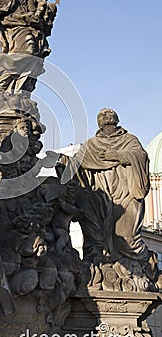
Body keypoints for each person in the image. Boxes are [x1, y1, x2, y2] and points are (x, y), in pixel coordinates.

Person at [57, 108, 151, 264]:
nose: (108, 123)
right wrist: (61, 160)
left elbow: (140, 156)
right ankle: (100, 271)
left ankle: (138, 269)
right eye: (104, 120)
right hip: (101, 198)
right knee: (96, 238)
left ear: (116, 121)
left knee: (127, 238)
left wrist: (117, 155)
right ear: (99, 124)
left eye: (110, 121)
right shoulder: (92, 144)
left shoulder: (129, 140)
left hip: (126, 195)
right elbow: (75, 163)